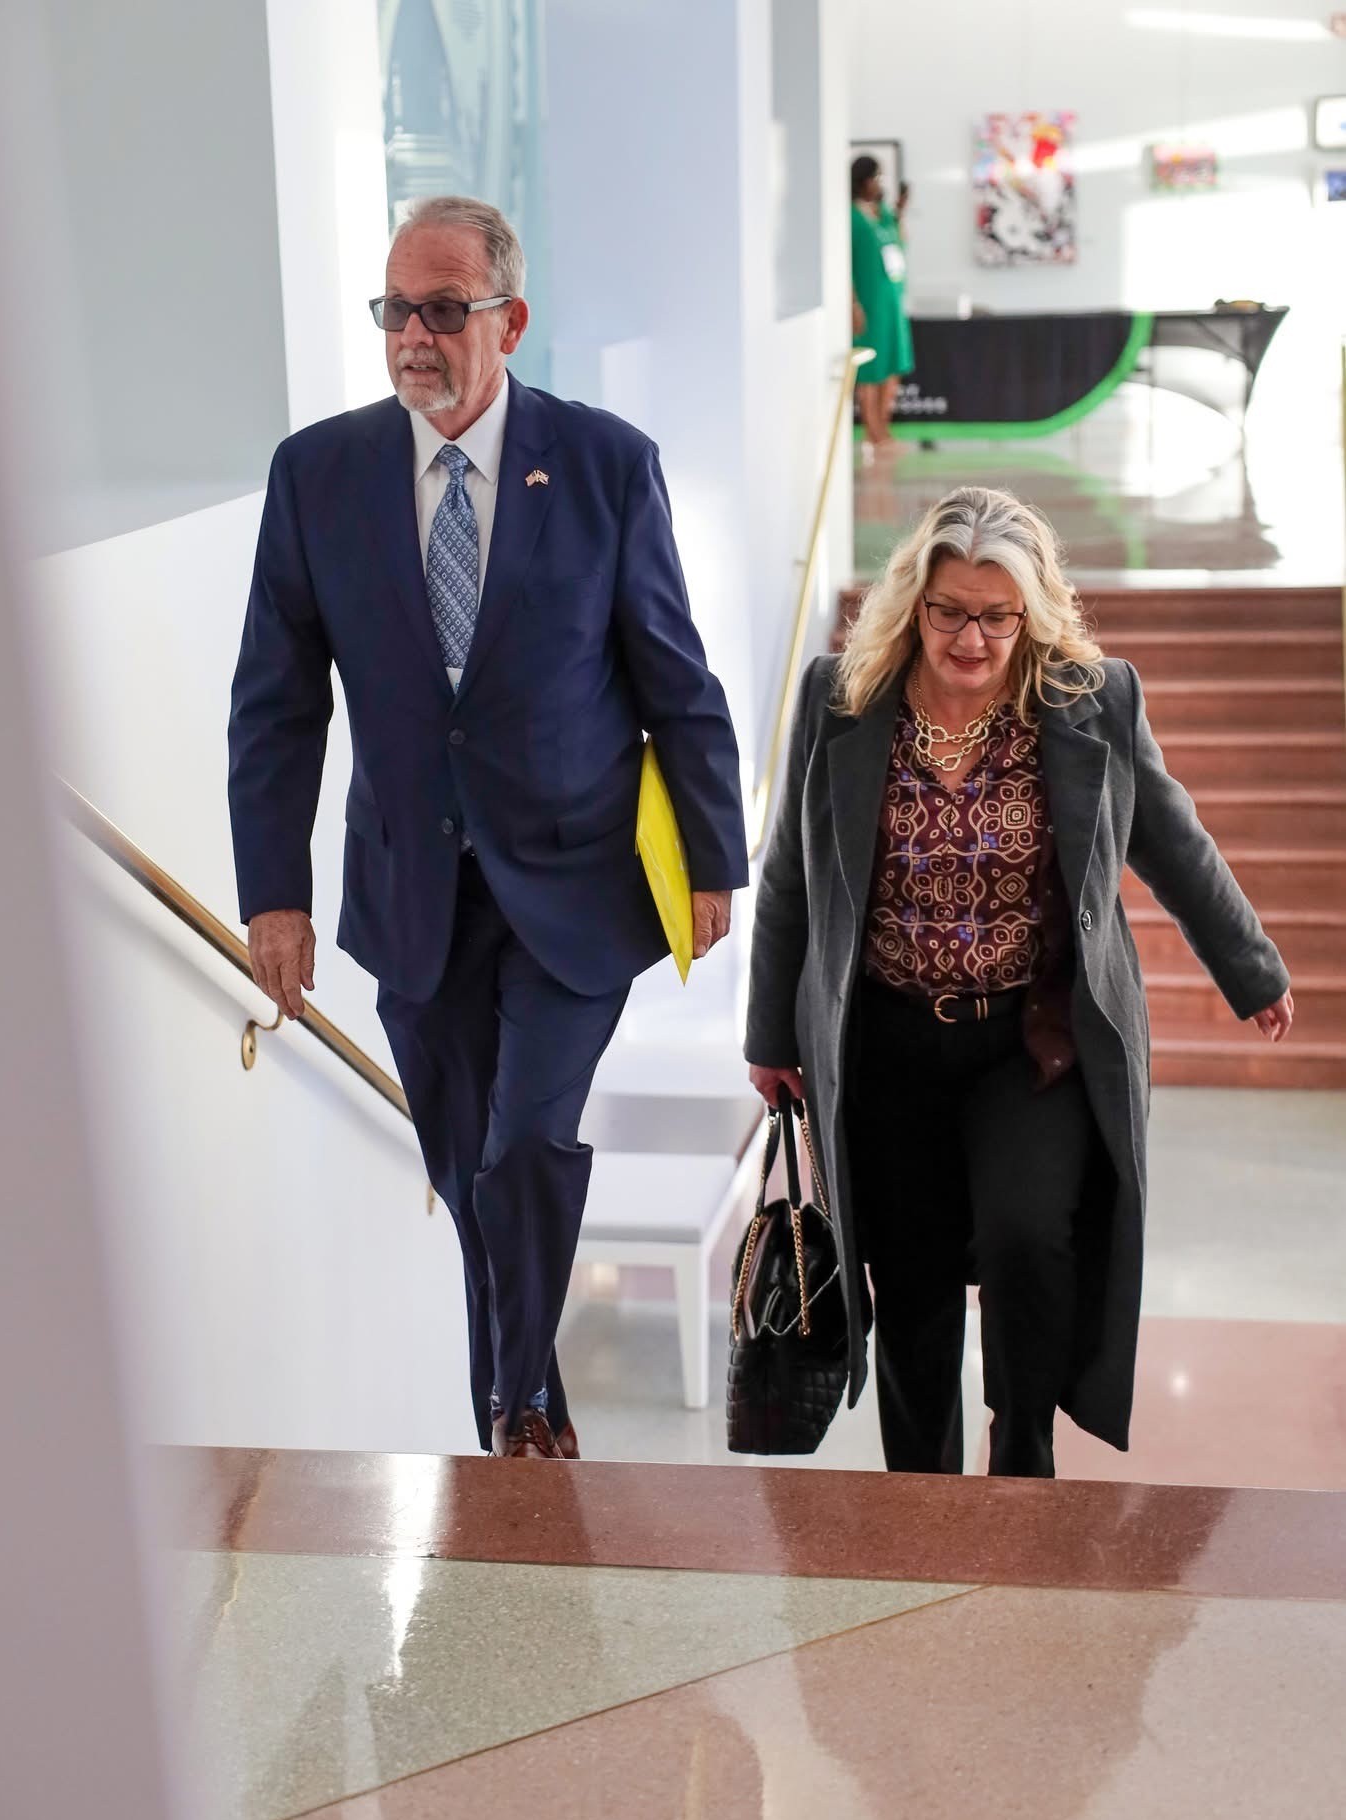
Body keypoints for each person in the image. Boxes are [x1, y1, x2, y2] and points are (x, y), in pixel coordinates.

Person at [229, 195, 748, 1459]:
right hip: (412, 892)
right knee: (467, 1176)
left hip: (577, 887)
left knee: (524, 1144)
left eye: (443, 309)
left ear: (509, 322)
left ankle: (516, 1409)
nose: (414, 334)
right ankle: (530, 1422)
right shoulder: (317, 474)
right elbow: (278, 703)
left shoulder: (605, 463)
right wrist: (275, 895)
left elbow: (674, 672)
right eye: (396, 309)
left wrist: (715, 854)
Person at [745, 487, 1293, 1479]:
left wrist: (1248, 966)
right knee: (908, 1276)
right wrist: (769, 1037)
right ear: (914, 602)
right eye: (951, 611)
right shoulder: (841, 699)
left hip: (1028, 1042)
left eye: (998, 616)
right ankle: (920, 1489)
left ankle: (1022, 1455)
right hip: (887, 1042)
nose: (973, 637)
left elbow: (1171, 840)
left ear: (1031, 613)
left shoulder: (1089, 700)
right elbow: (790, 873)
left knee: (1028, 1239)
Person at [850, 155, 915, 452]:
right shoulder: (851, 217)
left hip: (892, 300)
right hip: (869, 303)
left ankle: (884, 430)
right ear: (863, 180)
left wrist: (900, 211)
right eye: (875, 178)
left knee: (893, 365)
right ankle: (872, 432)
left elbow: (901, 244)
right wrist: (853, 304)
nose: (879, 184)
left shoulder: (885, 213)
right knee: (871, 369)